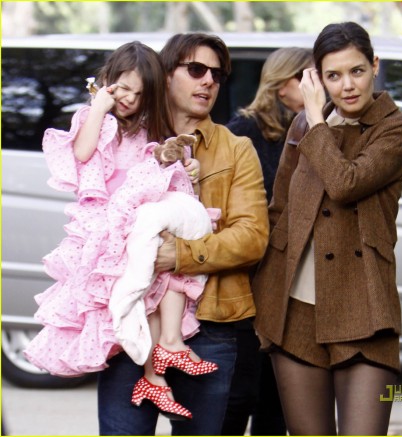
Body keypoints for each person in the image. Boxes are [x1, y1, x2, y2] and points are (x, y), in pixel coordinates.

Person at [23, 41, 219, 420]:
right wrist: (99, 106)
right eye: (122, 87)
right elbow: (81, 154)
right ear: (107, 80)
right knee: (136, 293)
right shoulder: (95, 119)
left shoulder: (151, 128)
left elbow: (166, 167)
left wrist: (187, 167)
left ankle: (159, 367)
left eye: (139, 93)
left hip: (141, 217)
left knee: (160, 285)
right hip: (107, 225)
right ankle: (154, 375)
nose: (129, 98)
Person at [252, 22, 402, 436]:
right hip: (294, 312)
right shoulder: (302, 128)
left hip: (365, 309)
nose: (347, 85)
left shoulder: (397, 128)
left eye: (357, 71)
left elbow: (345, 184)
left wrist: (314, 117)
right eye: (333, 75)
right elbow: (280, 210)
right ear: (318, 78)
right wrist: (266, 288)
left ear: (374, 66)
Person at [97, 33, 269, 436]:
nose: (208, 80)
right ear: (165, 73)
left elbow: (252, 236)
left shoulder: (235, 148)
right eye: (196, 69)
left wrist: (181, 255)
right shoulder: (126, 138)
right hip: (133, 320)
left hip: (209, 325)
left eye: (217, 74)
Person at [222, 46, 313, 436]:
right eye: (309, 77)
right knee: (240, 395)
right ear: (281, 85)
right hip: (247, 282)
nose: (321, 85)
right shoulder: (241, 132)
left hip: (291, 286)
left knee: (279, 401)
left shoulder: (316, 128)